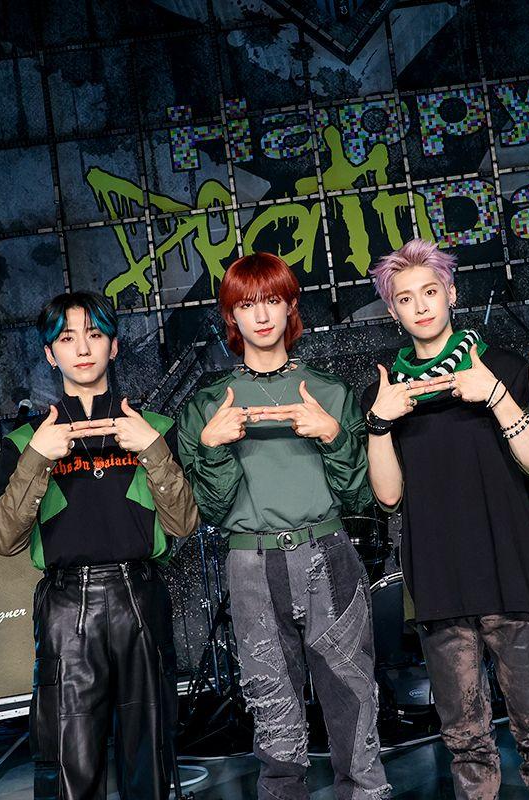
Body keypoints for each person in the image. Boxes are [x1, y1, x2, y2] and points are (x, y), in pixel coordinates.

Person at [176, 252, 390, 800]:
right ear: (231, 316)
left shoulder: (330, 392)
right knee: (273, 709)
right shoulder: (206, 405)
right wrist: (213, 446)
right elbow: (210, 509)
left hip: (328, 554)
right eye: (247, 304)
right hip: (252, 564)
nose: (261, 315)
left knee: (353, 699)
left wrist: (333, 436)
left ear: (291, 306)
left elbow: (360, 497)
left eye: (272, 300)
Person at [362, 238, 529, 800]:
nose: (421, 305)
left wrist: (496, 395)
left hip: (507, 571)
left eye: (430, 291)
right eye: (405, 298)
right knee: (465, 740)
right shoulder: (387, 390)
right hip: (437, 582)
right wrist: (379, 423)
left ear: (451, 294)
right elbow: (388, 497)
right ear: (393, 310)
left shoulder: (501, 366)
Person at [0, 291, 198, 800]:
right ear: (49, 354)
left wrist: (152, 449)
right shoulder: (25, 440)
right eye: (67, 338)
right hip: (65, 606)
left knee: (149, 755)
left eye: (95, 335)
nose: (82, 348)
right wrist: (38, 458)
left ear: (114, 346)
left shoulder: (154, 428)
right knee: (69, 760)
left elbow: (184, 523)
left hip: (140, 596)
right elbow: (2, 538)